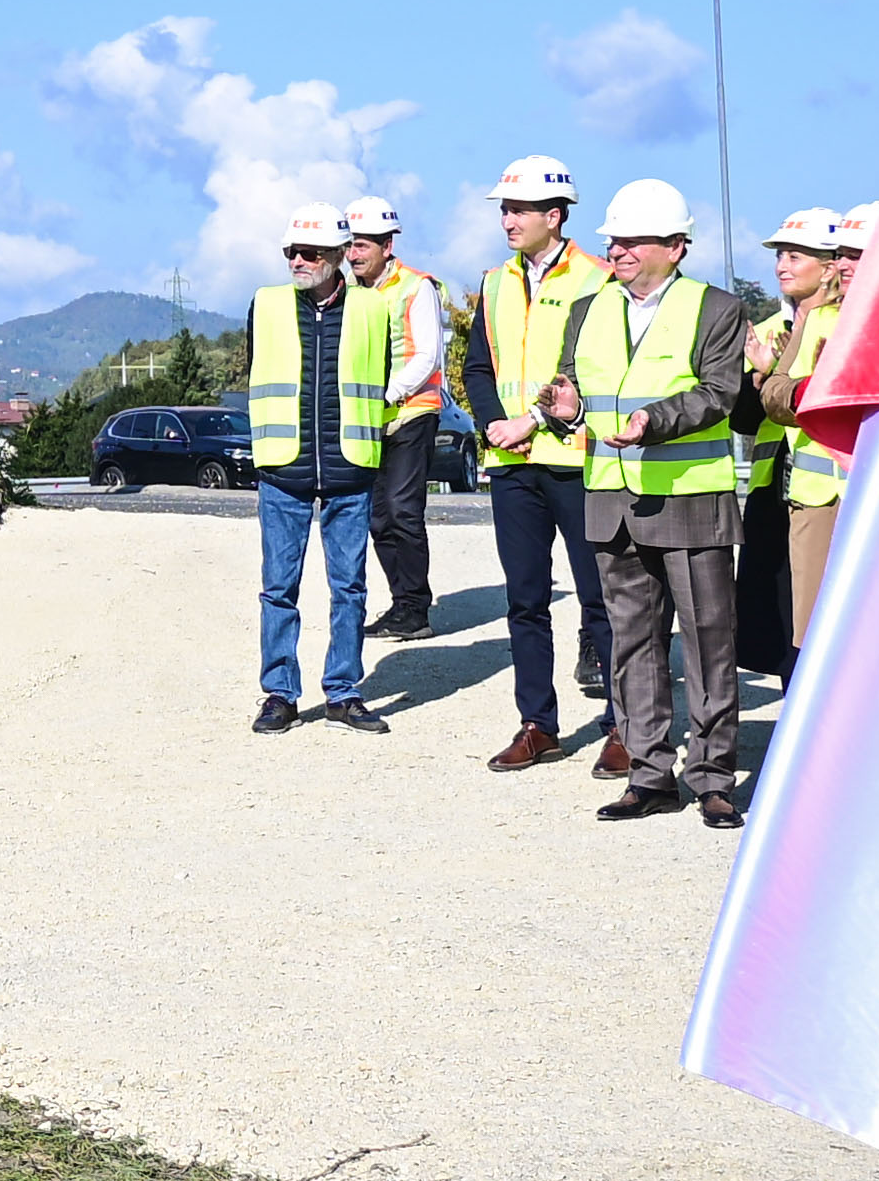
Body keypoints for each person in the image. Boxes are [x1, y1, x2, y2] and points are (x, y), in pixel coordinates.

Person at [563, 177, 769, 822]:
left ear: (676, 247)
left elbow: (720, 392)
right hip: (611, 500)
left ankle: (711, 776)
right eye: (614, 241)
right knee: (630, 645)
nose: (618, 250)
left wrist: (655, 420)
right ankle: (649, 775)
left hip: (689, 498)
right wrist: (562, 410)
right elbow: (576, 390)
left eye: (632, 240)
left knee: (709, 642)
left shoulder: (717, 309)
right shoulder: (587, 310)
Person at [227, 209, 399, 735]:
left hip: (351, 468)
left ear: (339, 255)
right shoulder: (267, 304)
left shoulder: (373, 309)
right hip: (283, 468)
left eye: (309, 253)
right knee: (279, 587)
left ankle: (343, 692)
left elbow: (383, 376)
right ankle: (279, 693)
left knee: (350, 588)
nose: (297, 261)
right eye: (291, 253)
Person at [468, 157, 611, 769]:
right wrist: (495, 425)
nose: (507, 219)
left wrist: (530, 422)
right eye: (504, 209)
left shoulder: (598, 279)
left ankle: (624, 724)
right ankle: (537, 724)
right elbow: (478, 367)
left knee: (600, 597)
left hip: (577, 461)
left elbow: (586, 370)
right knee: (524, 600)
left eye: (518, 209)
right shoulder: (495, 281)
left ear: (554, 216)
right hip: (512, 465)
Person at [326, 196, 457, 633]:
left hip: (412, 412)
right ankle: (402, 603)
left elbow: (428, 356)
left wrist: (389, 393)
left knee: (402, 510)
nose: (353, 255)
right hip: (369, 419)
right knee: (377, 516)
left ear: (387, 245)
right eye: (350, 246)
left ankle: (416, 607)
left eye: (362, 246)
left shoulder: (415, 287)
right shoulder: (350, 294)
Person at [759, 208, 864, 650]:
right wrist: (811, 391)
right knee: (814, 633)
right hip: (815, 500)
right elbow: (774, 394)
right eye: (840, 254)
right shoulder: (818, 319)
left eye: (855, 255)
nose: (843, 264)